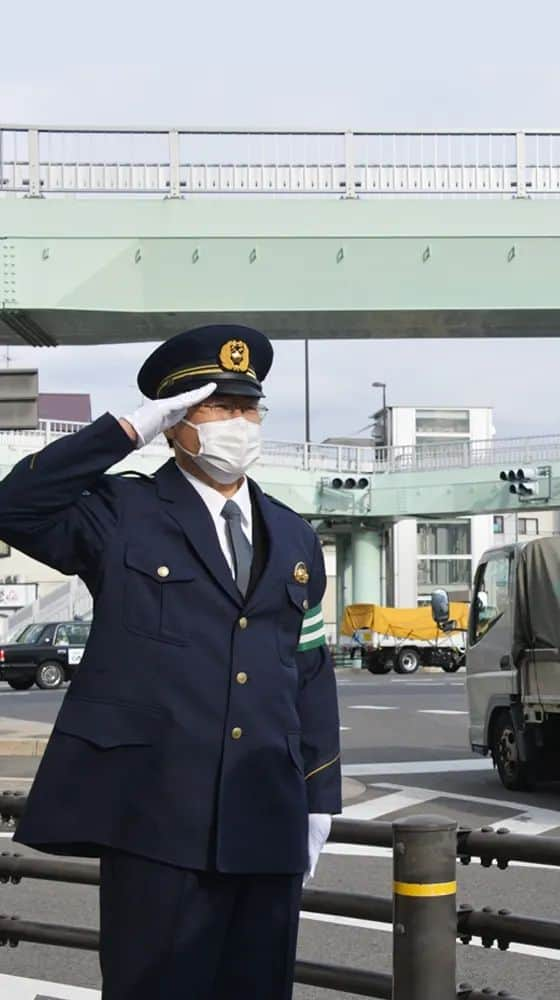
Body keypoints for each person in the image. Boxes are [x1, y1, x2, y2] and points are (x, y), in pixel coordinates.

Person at [0, 325, 342, 999]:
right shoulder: (123, 513)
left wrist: (318, 798)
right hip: (155, 820)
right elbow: (13, 506)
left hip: (267, 819)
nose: (239, 424)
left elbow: (309, 671)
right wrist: (124, 430)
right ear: (176, 418)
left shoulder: (295, 535)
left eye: (249, 408)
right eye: (219, 406)